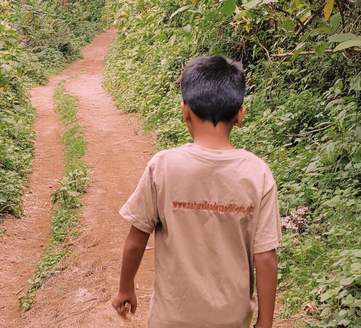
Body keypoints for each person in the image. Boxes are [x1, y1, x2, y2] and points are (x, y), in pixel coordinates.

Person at [111, 55, 281, 328]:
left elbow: (135, 240)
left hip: (171, 318)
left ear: (185, 111)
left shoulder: (163, 166)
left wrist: (125, 287)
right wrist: (265, 322)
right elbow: (266, 258)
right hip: (231, 320)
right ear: (240, 114)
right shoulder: (257, 173)